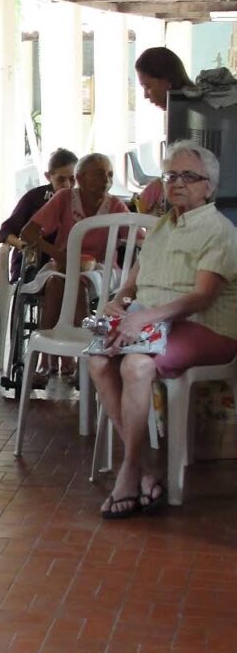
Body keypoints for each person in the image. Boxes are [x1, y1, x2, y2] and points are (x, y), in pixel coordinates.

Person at [89, 141, 237, 519]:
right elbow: (136, 276)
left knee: (135, 365)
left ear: (209, 186)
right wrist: (121, 300)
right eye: (171, 175)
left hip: (204, 326)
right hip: (154, 319)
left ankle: (129, 470)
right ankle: (142, 467)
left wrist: (145, 317)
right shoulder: (161, 226)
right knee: (98, 360)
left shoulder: (219, 230)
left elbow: (202, 298)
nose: (177, 183)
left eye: (189, 176)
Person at [19, 152, 129, 381]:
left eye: (110, 175)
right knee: (56, 284)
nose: (107, 181)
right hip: (65, 265)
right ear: (80, 178)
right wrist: (58, 254)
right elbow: (28, 233)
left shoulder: (116, 205)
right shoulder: (64, 198)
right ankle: (46, 359)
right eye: (99, 175)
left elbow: (138, 235)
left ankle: (81, 361)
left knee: (75, 285)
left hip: (102, 267)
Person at [0, 148, 77, 283]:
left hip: (69, 261)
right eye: (61, 180)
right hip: (33, 261)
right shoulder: (35, 198)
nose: (67, 185)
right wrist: (21, 244)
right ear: (48, 177)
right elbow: (6, 230)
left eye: (72, 179)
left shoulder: (80, 201)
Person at [133, 47, 195, 216]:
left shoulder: (190, 116)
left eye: (147, 86)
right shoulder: (177, 113)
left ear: (167, 80)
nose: (146, 95)